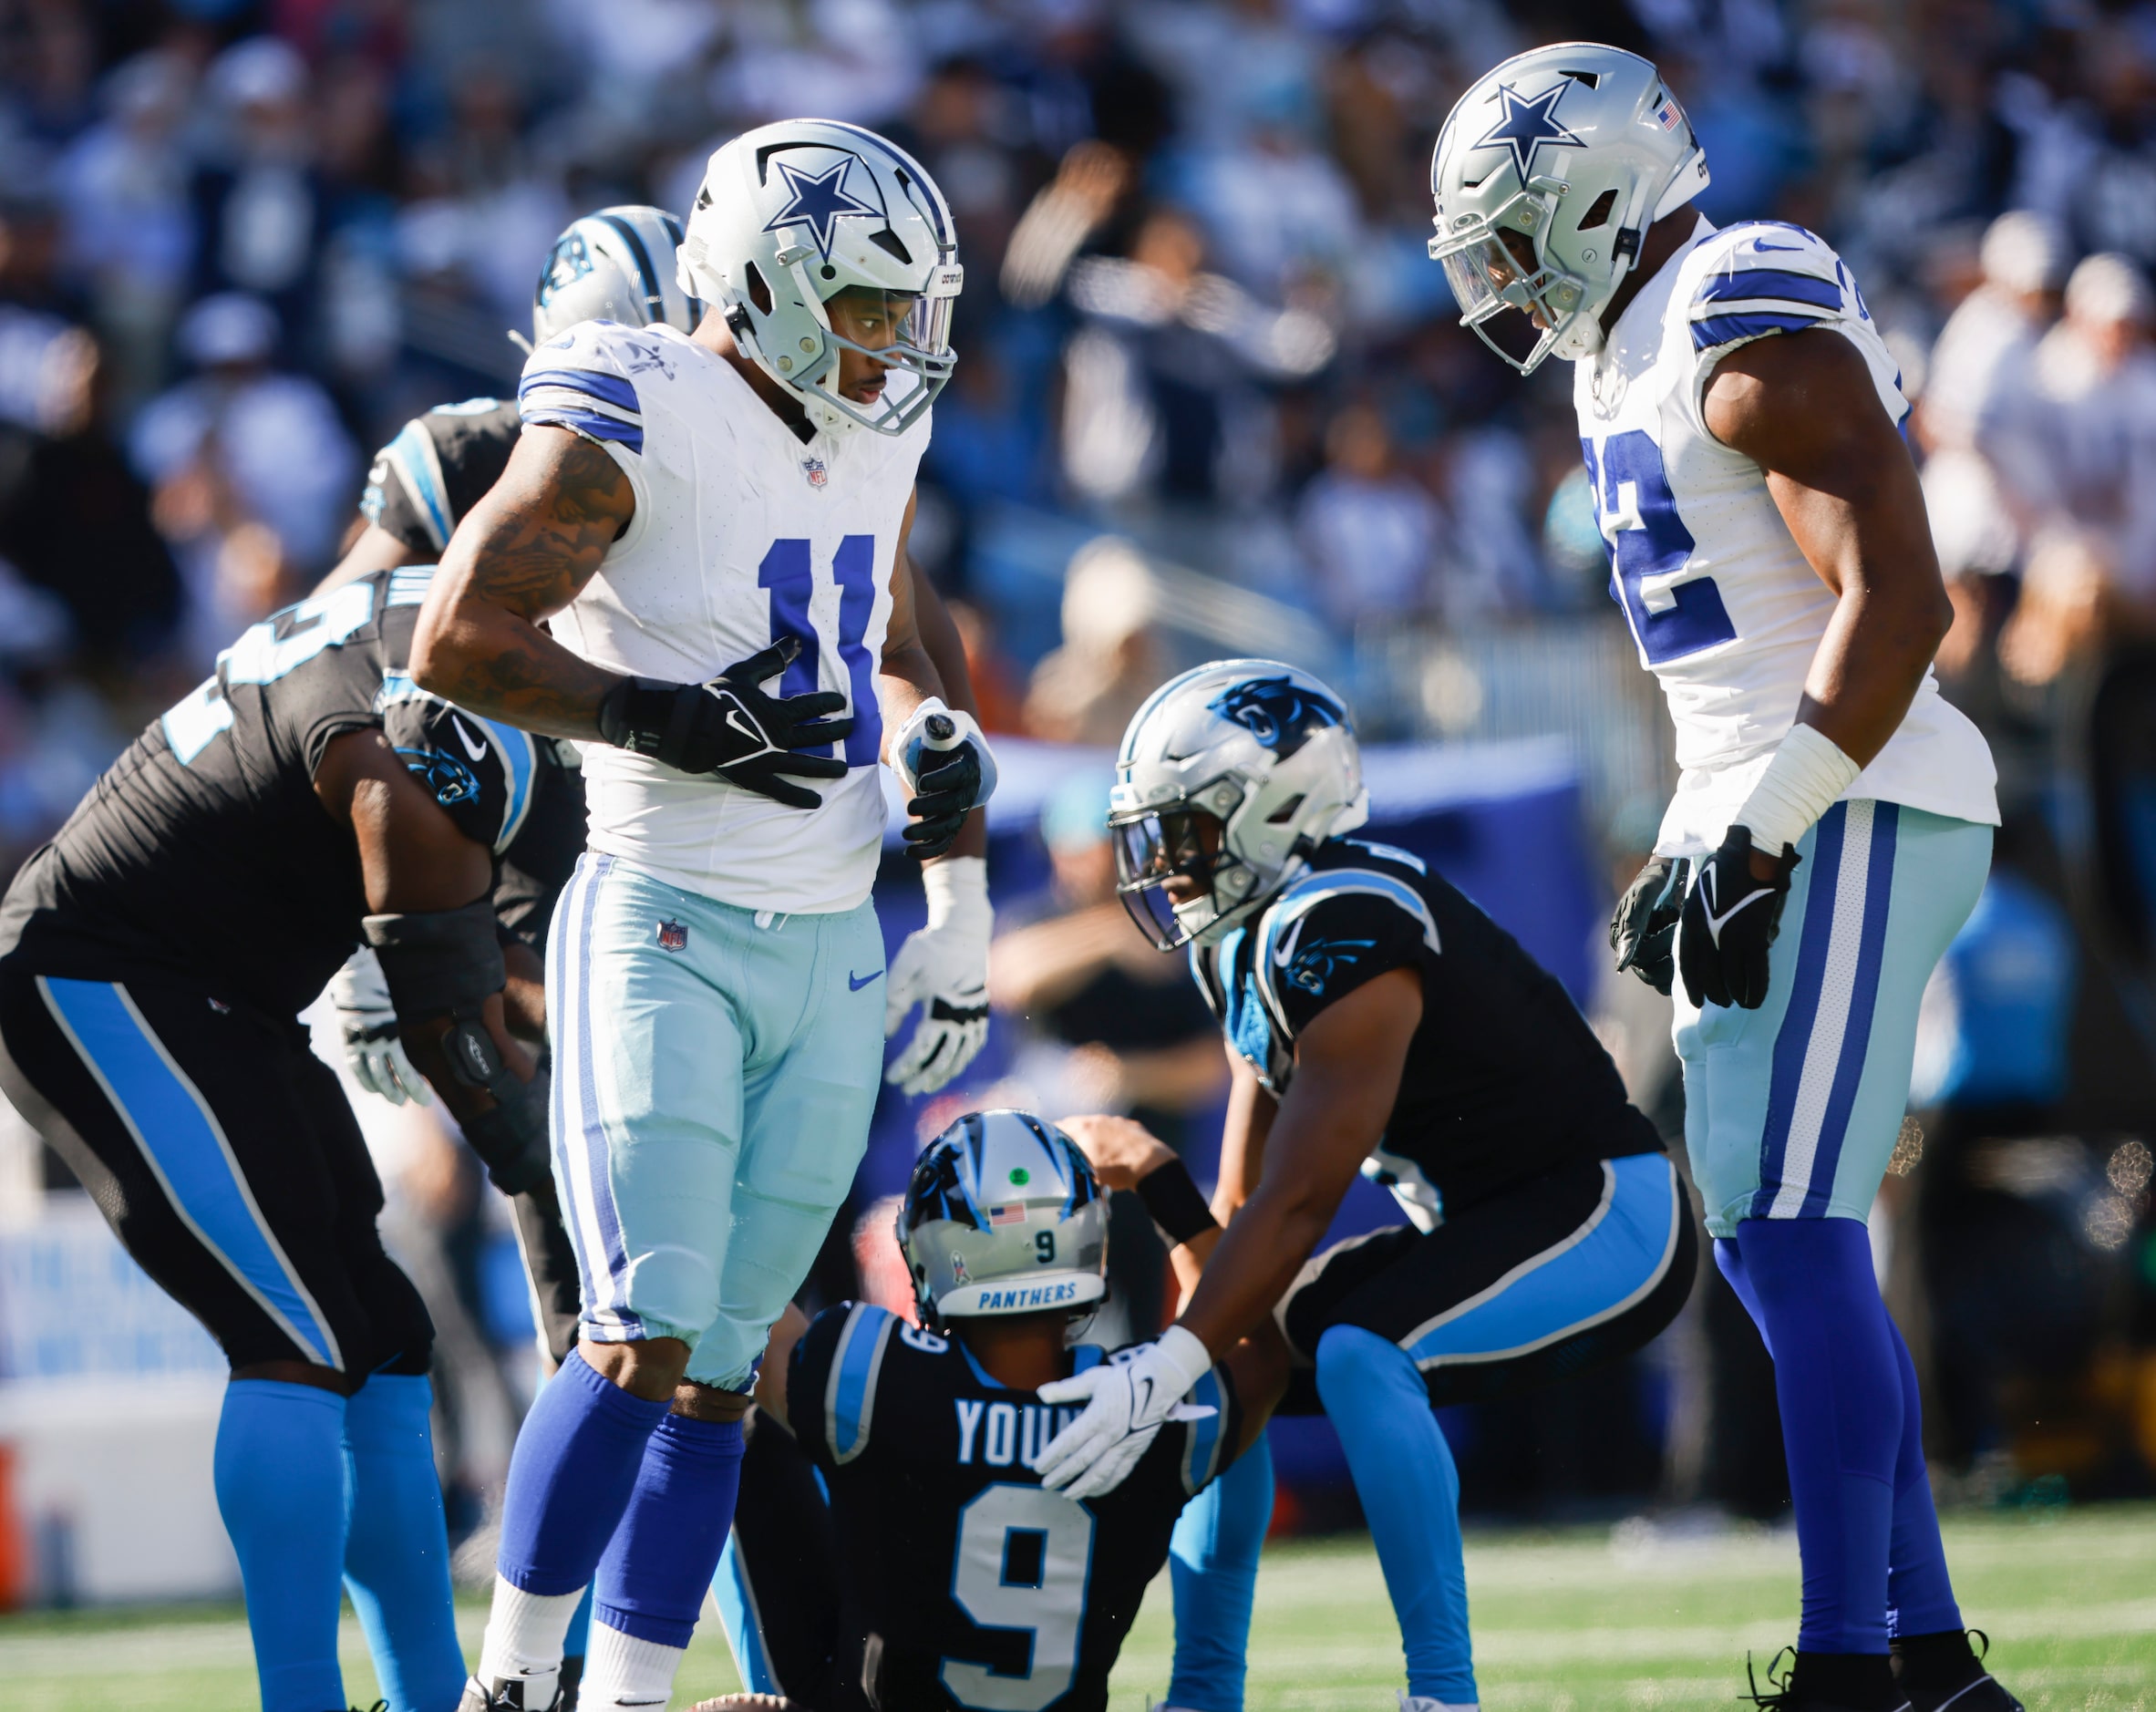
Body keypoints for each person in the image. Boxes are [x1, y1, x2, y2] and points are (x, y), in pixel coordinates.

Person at [1427, 43, 2013, 1712]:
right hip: (1767, 806)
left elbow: (1900, 599)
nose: (1502, 279)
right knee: (1768, 1241)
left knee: (1803, 1228)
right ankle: (1932, 1662)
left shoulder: (1734, 312)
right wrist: (1718, 826)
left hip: (1851, 796)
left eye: (1520, 234)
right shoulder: (1623, 350)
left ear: (1609, 196)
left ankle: (1855, 1667)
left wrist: (1762, 825)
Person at [408, 119, 995, 1712]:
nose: (898, 344)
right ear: (770, 282)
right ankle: (512, 1684)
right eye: (869, 307)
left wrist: (952, 857)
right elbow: (458, 639)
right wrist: (665, 717)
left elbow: (891, 642)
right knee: (640, 1325)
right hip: (665, 912)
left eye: (911, 307)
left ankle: (629, 1696)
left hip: (831, 938)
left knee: (727, 1370)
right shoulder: (635, 398)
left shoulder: (875, 426)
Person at [1032, 659, 1697, 1711]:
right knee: (1229, 1362)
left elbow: (1298, 1208)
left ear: (1273, 809)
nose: (1160, 863)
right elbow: (1241, 1228)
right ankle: (1201, 1694)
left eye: (1185, 828)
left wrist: (1165, 1358)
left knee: (1358, 1350)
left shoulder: (1343, 924)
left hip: (1604, 1215)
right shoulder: (1248, 933)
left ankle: (1443, 1694)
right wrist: (1180, 1286)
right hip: (1486, 1222)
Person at [0, 561, 566, 1712]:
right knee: (295, 1335)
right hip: (100, 980)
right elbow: (456, 1037)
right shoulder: (382, 758)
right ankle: (298, 1700)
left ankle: (424, 1697)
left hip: (223, 1000)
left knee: (390, 1334)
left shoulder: (418, 643)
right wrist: (556, 1159)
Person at [703, 1109, 1286, 1712]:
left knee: (724, 1395)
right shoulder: (1144, 1408)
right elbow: (1256, 1350)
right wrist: (1157, 1173)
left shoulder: (879, 1375)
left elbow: (741, 1307)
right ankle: (1206, 1693)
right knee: (1207, 1415)